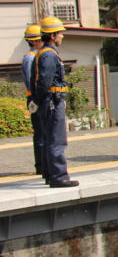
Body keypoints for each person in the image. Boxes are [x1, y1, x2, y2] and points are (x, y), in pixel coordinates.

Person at [31, 16, 77, 187]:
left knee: (50, 138)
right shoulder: (49, 55)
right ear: (52, 35)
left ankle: (50, 174)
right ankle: (59, 176)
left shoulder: (44, 53)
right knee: (57, 139)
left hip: (49, 101)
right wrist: (40, 99)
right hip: (52, 101)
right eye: (60, 33)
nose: (62, 36)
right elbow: (45, 81)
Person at [21, 24, 44, 176]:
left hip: (34, 97)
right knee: (41, 132)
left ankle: (42, 164)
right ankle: (41, 165)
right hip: (35, 98)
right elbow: (32, 81)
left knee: (42, 132)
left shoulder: (34, 56)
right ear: (35, 41)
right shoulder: (31, 58)